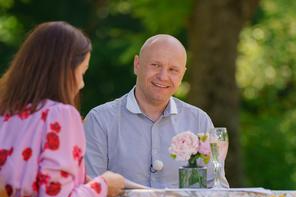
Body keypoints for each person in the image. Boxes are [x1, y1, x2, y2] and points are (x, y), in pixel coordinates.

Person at [0, 21, 125, 197]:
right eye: (82, 72)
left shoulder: (6, 115)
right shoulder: (60, 116)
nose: (82, 83)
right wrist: (104, 185)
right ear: (64, 70)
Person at [84, 34, 229, 188]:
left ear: (182, 75)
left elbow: (217, 188)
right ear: (137, 65)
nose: (163, 76)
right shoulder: (100, 120)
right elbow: (91, 190)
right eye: (155, 65)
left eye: (173, 69)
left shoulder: (199, 121)